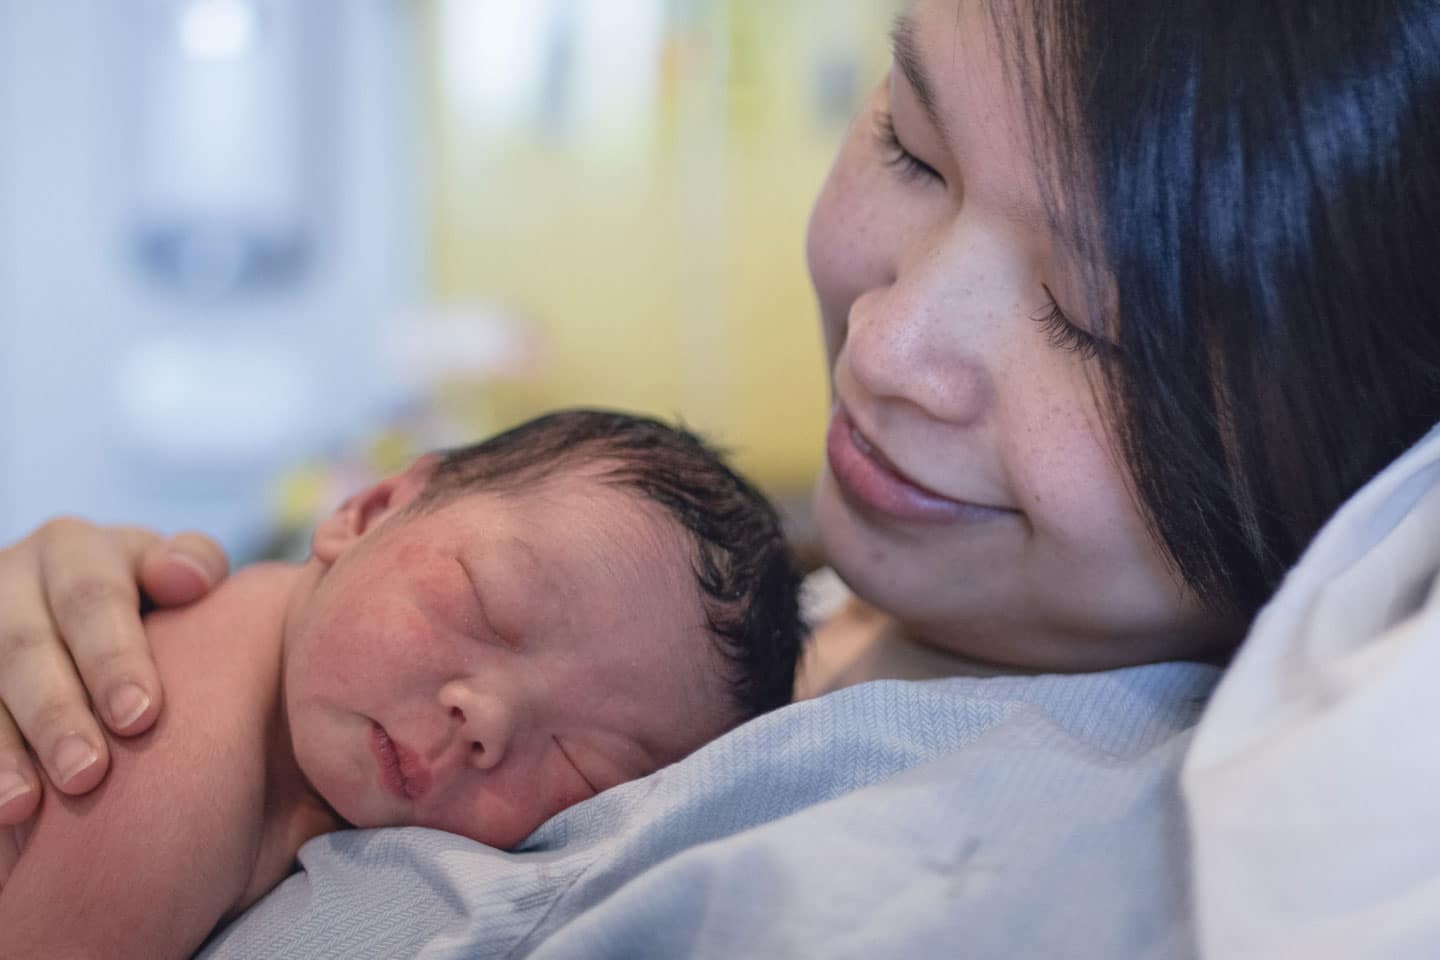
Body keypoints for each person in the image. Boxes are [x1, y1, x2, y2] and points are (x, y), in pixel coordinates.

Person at [1, 0, 1437, 954]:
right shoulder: (758, 603)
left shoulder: (1102, 840)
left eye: (1093, 323)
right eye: (908, 144)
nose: (881, 347)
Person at [0, 409, 804, 958]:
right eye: (490, 606)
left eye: (583, 766)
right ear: (371, 507)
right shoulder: (166, 750)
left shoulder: (304, 773)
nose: (484, 717)